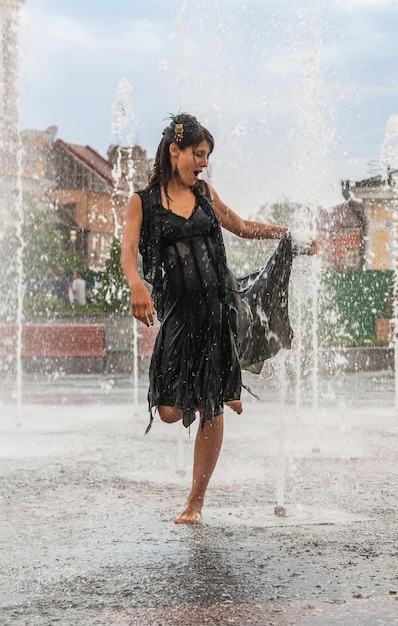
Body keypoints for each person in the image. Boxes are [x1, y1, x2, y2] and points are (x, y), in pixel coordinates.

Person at [121, 113, 317, 525]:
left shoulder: (206, 193)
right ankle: (211, 391)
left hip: (219, 312)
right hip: (178, 316)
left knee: (212, 408)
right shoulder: (144, 202)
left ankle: (195, 500)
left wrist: (289, 236)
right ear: (175, 151)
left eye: (207, 155)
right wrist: (137, 285)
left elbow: (242, 226)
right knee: (171, 410)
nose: (204, 162)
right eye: (199, 153)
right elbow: (127, 252)